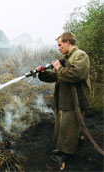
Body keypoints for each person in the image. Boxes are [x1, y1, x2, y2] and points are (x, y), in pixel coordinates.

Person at [36, 32, 91, 163]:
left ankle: (67, 154)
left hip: (75, 101)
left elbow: (76, 74)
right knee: (63, 127)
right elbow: (55, 76)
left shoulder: (81, 56)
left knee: (69, 127)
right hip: (64, 100)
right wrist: (42, 73)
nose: (59, 48)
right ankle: (63, 149)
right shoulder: (66, 58)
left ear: (68, 43)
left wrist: (59, 68)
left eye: (60, 45)